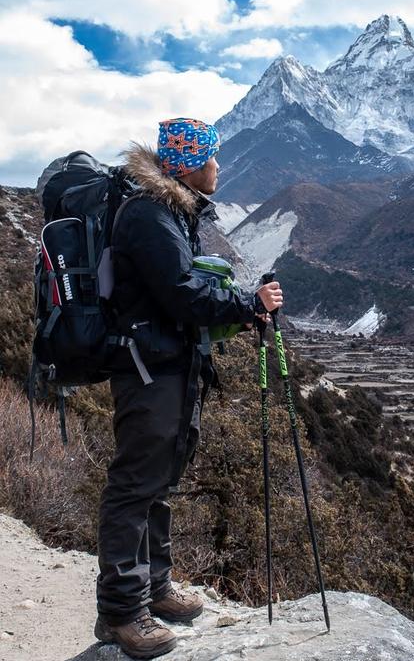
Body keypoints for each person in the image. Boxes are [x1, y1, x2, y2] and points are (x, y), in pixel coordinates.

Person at [94, 117, 283, 659]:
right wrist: (250, 306)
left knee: (159, 480)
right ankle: (121, 614)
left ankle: (153, 587)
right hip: (149, 368)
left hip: (168, 366)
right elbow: (182, 296)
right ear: (191, 164)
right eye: (213, 158)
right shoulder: (152, 215)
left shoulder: (170, 213)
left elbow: (186, 286)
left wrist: (240, 301)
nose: (220, 166)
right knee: (135, 484)